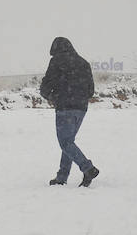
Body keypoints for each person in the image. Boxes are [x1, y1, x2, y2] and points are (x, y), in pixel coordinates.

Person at [39, 36, 99, 187]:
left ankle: (88, 168)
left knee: (65, 142)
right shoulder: (83, 62)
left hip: (65, 107)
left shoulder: (57, 61)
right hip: (81, 108)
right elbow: (90, 90)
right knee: (68, 143)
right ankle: (62, 176)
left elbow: (47, 84)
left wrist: (50, 95)